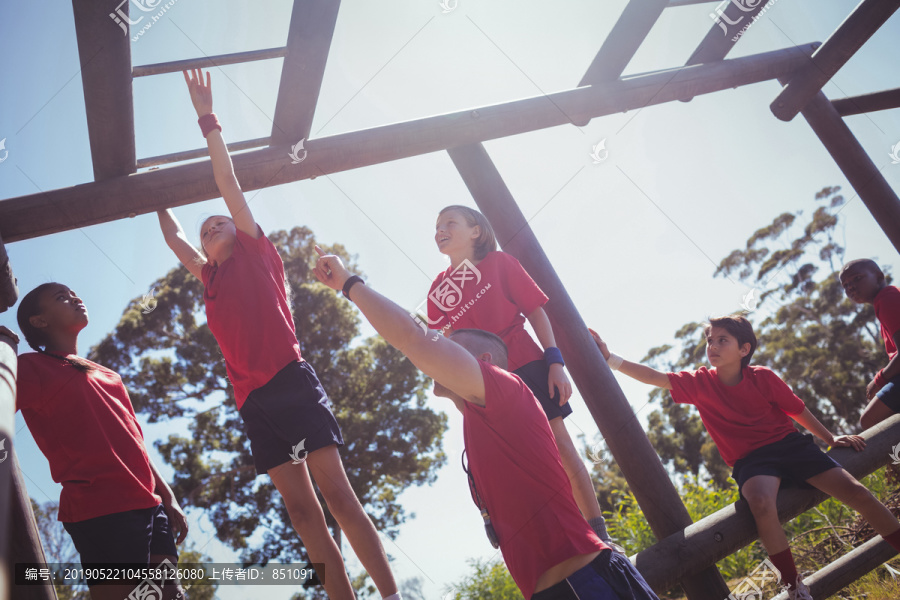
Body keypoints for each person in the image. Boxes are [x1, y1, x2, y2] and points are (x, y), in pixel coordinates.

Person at [155, 69, 399, 600]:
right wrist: (155, 193)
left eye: (217, 223)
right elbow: (175, 238)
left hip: (290, 379)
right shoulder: (209, 279)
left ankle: (390, 594)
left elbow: (227, 183)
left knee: (337, 495)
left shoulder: (254, 251)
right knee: (300, 511)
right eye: (205, 231)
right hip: (255, 403)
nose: (210, 229)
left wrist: (207, 119)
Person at [313, 248, 659, 600]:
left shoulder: (507, 390)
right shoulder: (482, 423)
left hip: (587, 582)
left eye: (452, 345)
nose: (441, 350)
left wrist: (348, 283)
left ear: (484, 362)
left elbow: (413, 339)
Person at [589, 314, 900, 599]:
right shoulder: (699, 382)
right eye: (710, 340)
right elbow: (655, 377)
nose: (713, 345)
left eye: (722, 340)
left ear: (744, 348)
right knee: (761, 503)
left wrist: (830, 438)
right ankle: (794, 586)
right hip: (752, 461)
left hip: (791, 446)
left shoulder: (762, 377)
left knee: (857, 492)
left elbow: (796, 409)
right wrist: (610, 359)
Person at [426, 205, 616, 547]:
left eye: (449, 223)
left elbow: (535, 311)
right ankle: (565, 543)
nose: (440, 230)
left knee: (561, 447)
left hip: (528, 364)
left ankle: (599, 536)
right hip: (484, 382)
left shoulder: (500, 263)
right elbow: (446, 345)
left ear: (476, 231)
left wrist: (554, 362)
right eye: (437, 226)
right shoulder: (439, 291)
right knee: (522, 467)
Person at [11, 284, 188, 600]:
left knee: (168, 595)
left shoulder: (109, 376)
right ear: (39, 322)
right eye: (61, 297)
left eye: (74, 293)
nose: (76, 297)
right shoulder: (29, 368)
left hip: (149, 505)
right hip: (100, 507)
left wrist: (167, 495)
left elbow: (134, 441)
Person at [839, 259, 900, 429]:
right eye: (845, 285)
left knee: (870, 420)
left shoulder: (887, 297)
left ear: (879, 277)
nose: (850, 287)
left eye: (857, 278)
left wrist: (879, 380)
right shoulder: (887, 298)